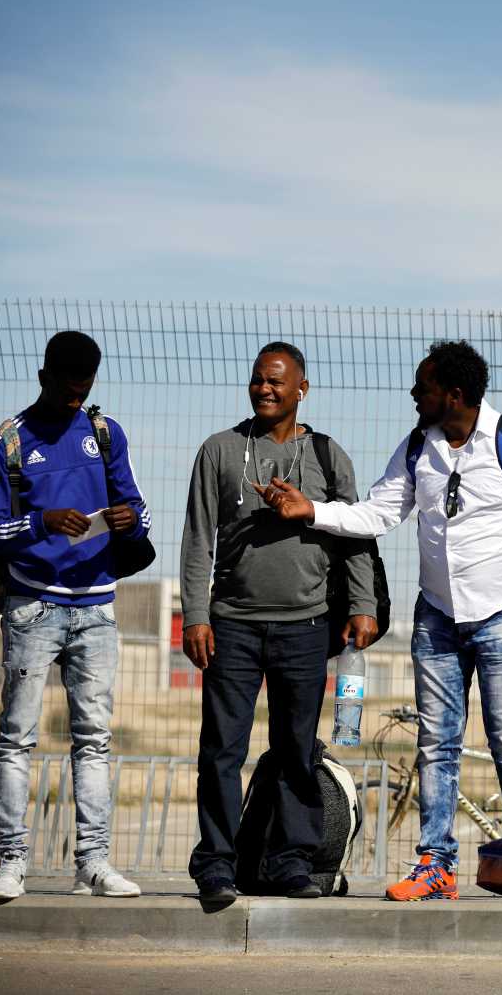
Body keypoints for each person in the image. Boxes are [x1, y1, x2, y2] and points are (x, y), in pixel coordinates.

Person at [257, 340, 502, 902]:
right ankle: (437, 865)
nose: (413, 394)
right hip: (437, 618)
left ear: (453, 394)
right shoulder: (417, 448)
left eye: (422, 387)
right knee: (436, 744)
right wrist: (310, 509)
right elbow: (379, 511)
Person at [180, 341, 379, 903]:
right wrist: (196, 615)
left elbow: (356, 532)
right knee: (221, 749)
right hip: (232, 625)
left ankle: (292, 861)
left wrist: (362, 604)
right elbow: (198, 541)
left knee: (296, 749)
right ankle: (216, 864)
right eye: (257, 380)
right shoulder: (220, 450)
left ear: (301, 389)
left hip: (306, 624)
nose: (264, 389)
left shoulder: (327, 455)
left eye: (276, 381)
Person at [0, 330, 151, 902]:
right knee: (16, 739)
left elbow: (137, 506)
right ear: (44, 376)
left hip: (98, 609)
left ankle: (93, 865)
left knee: (94, 739)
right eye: (68, 387)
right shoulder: (9, 442)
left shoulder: (105, 433)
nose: (77, 398)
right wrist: (42, 522)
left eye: (86, 388)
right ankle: (10, 863)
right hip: (31, 607)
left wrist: (129, 520)